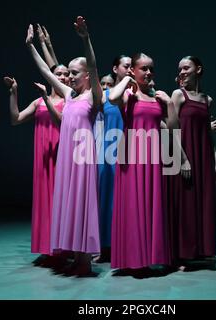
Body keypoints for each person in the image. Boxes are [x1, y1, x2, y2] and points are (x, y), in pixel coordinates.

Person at [26, 16, 103, 276]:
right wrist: (31, 47)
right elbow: (46, 71)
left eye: (73, 73)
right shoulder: (69, 95)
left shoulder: (94, 96)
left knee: (82, 204)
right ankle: (75, 255)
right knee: (68, 204)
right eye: (68, 73)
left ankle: (85, 259)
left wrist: (85, 39)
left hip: (83, 157)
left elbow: (93, 65)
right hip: (67, 157)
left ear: (86, 76)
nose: (69, 77)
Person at [109, 53, 181, 277]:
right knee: (133, 206)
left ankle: (150, 257)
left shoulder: (158, 98)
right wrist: (126, 80)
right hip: (132, 158)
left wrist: (169, 104)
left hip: (153, 158)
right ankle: (134, 258)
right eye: (144, 69)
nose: (149, 73)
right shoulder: (129, 96)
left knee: (152, 205)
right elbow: (112, 98)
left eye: (151, 69)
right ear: (133, 70)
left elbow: (172, 129)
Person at [3, 36, 69, 267]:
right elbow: (15, 119)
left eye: (65, 75)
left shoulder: (72, 101)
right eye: (58, 74)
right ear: (51, 77)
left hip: (62, 156)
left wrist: (45, 45)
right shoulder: (39, 102)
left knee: (62, 201)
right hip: (43, 159)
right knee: (45, 200)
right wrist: (14, 92)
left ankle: (64, 246)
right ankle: (48, 247)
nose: (62, 77)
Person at [168, 56, 216, 270]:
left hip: (204, 157)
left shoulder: (207, 100)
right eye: (179, 69)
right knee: (186, 204)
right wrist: (182, 160)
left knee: (204, 203)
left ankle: (203, 250)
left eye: (186, 68)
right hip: (184, 156)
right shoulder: (178, 95)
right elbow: (172, 130)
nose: (181, 72)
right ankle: (183, 254)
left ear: (198, 69)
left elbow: (207, 136)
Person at [93, 55, 132, 263]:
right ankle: (105, 247)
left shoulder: (135, 94)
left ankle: (125, 246)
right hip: (107, 154)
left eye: (132, 66)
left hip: (132, 154)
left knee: (126, 202)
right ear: (115, 68)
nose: (130, 70)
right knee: (106, 201)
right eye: (126, 66)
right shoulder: (105, 95)